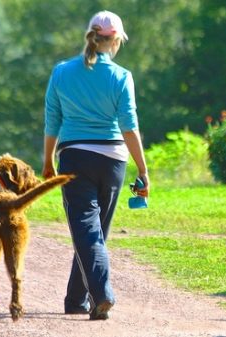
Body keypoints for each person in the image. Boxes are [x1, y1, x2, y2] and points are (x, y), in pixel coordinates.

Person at [42, 10, 149, 320]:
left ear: (89, 36)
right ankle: (77, 300)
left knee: (87, 230)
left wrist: (48, 160)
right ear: (116, 41)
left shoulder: (62, 72)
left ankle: (100, 294)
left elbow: (53, 120)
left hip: (75, 156)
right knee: (94, 231)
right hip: (114, 159)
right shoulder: (121, 76)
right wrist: (142, 170)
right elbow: (129, 126)